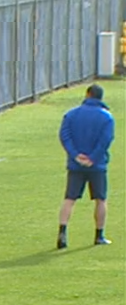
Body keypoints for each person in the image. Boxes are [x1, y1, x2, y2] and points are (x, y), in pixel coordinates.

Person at [57, 84, 115, 249]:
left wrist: (75, 155)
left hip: (75, 165)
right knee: (101, 199)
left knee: (70, 198)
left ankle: (62, 232)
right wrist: (93, 157)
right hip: (97, 165)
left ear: (88, 95)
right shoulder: (106, 117)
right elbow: (105, 140)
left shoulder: (71, 114)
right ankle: (99, 235)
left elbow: (65, 136)